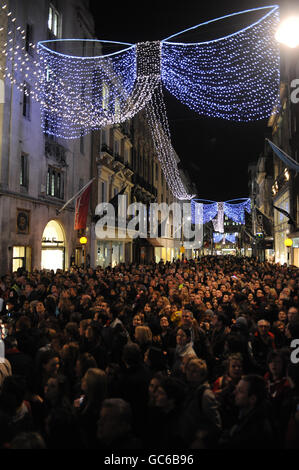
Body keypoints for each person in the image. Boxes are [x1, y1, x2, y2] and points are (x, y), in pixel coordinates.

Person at [218, 374, 276, 449]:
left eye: (240, 391)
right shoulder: (245, 416)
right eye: (236, 389)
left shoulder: (255, 431)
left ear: (252, 399)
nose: (234, 393)